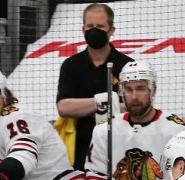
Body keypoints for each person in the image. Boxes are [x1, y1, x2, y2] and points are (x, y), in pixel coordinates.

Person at [84, 61, 185, 180]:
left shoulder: (177, 130)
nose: (134, 96)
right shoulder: (104, 130)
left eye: (140, 89)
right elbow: (95, 176)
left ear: (153, 90)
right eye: (128, 89)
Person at [56, 3, 133, 171]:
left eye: (100, 26)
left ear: (111, 30)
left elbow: (133, 106)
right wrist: (107, 102)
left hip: (121, 149)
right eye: (90, 26)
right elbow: (64, 107)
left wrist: (86, 106)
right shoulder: (71, 65)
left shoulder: (127, 65)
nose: (94, 30)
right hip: (80, 152)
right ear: (83, 29)